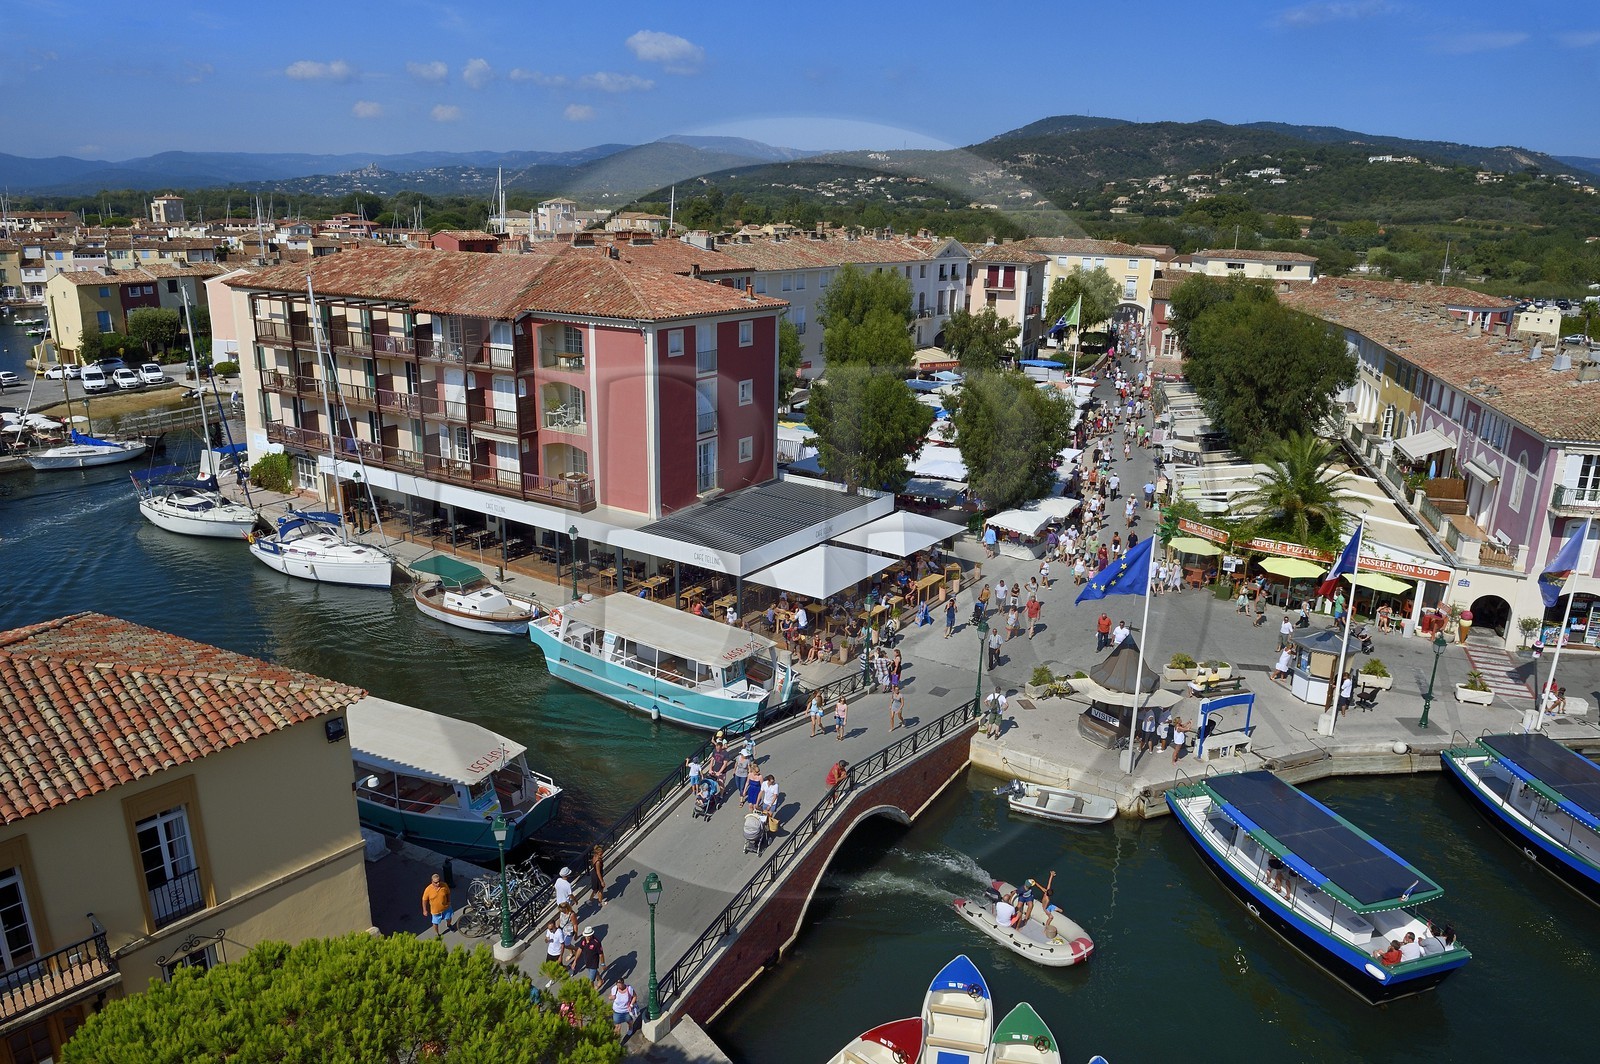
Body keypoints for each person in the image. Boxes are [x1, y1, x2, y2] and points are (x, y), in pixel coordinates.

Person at [588, 844, 606, 909]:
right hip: (597, 876)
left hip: (594, 874)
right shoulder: (598, 862)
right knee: (600, 889)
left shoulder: (594, 857)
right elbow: (598, 872)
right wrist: (602, 881)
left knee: (595, 889)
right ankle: (600, 902)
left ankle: (590, 900)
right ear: (597, 853)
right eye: (601, 854)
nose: (602, 855)